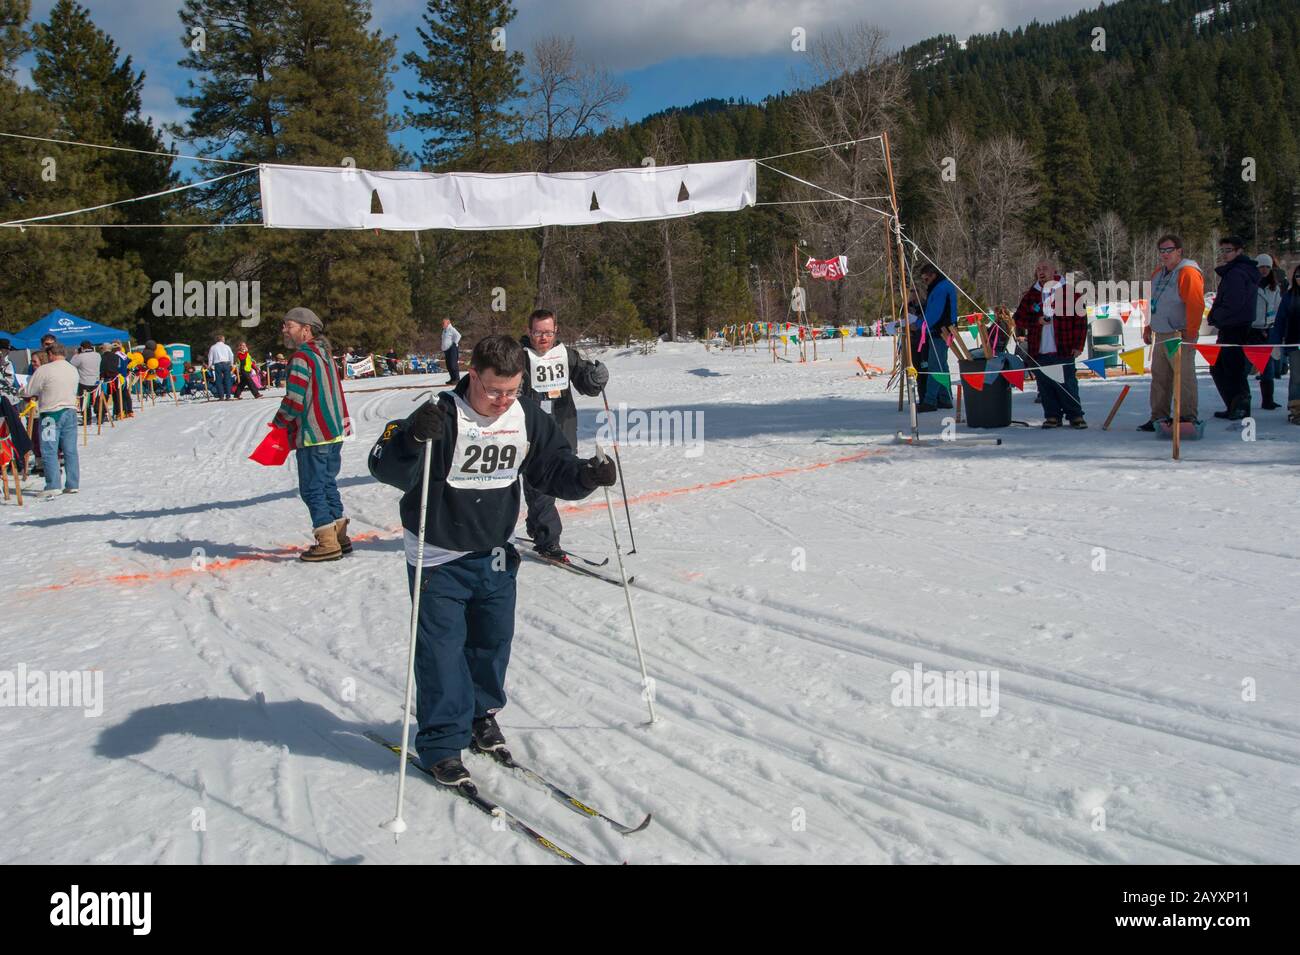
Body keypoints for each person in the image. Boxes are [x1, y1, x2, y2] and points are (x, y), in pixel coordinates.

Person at [367, 334, 617, 784]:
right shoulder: (441, 415)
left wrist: (585, 475)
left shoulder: (524, 416)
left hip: (495, 554)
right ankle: (442, 742)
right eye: (492, 390)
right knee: (442, 652)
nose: (502, 400)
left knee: (492, 642)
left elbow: (551, 468)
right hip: (438, 555)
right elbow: (383, 463)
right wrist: (410, 439)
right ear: (472, 376)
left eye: (512, 390)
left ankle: (480, 715)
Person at [518, 308, 609, 561]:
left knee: (556, 482)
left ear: (556, 331)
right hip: (531, 432)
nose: (543, 338)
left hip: (563, 429)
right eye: (538, 332)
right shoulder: (519, 357)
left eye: (548, 332)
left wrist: (596, 377)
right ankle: (547, 539)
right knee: (540, 485)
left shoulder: (566, 356)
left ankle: (539, 527)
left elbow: (586, 384)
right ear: (529, 332)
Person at [270, 307, 352, 562]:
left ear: (305, 329)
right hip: (333, 431)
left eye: (289, 325)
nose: (284, 330)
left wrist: (279, 422)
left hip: (313, 434)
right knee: (328, 484)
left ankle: (327, 543)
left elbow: (294, 399)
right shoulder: (324, 355)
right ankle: (340, 536)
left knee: (312, 488)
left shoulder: (301, 358)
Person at [1012, 258, 1089, 428]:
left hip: (1065, 347)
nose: (1041, 271)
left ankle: (1075, 415)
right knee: (1045, 385)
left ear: (1054, 271)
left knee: (1067, 384)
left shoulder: (1070, 292)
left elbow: (1081, 321)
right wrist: (1036, 321)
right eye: (1038, 268)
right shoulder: (1031, 295)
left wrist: (1078, 345)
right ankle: (1052, 416)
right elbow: (1018, 319)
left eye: (1044, 268)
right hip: (1039, 349)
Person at [1139, 235, 1204, 430]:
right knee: (1160, 377)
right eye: (1162, 251)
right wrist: (1148, 326)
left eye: (1169, 250)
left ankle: (1186, 417)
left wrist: (1191, 332)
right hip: (1160, 332)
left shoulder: (1188, 272)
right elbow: (1151, 302)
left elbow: (1195, 304)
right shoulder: (1158, 272)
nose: (1165, 254)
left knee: (1183, 377)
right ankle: (1158, 416)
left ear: (1179, 251)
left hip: (1179, 334)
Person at [1206, 236, 1260, 420]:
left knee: (1230, 369)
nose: (1224, 254)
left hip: (1235, 327)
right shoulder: (1237, 271)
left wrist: (1215, 316)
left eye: (1228, 250)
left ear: (1239, 251)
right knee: (1223, 368)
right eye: (1223, 250)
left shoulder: (1237, 273)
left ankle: (1239, 406)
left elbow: (1234, 302)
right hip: (1234, 325)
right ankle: (1235, 405)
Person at [21, 342, 80, 495]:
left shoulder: (45, 369)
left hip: (51, 413)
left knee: (49, 450)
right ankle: (73, 483)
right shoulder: (72, 369)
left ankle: (53, 485)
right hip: (70, 411)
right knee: (70, 450)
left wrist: (21, 390)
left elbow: (29, 390)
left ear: (51, 354)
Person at [915, 264, 957, 412]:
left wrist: (919, 324)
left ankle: (930, 400)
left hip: (942, 331)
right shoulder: (939, 287)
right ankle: (945, 398)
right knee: (942, 365)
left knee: (935, 365)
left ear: (932, 275)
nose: (925, 281)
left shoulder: (941, 288)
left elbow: (934, 313)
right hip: (941, 330)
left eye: (926, 278)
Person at [1252, 254, 1283, 410]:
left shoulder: (1275, 288)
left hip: (1269, 330)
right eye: (1261, 267)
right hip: (1252, 330)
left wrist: (1276, 326)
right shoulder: (1250, 285)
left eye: (1267, 267)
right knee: (1245, 367)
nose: (1264, 270)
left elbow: (1278, 308)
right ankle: (1240, 401)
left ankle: (1268, 400)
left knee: (1268, 368)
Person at [1277, 264, 1300, 424]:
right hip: (1294, 343)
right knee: (1297, 377)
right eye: (1297, 276)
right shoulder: (1289, 296)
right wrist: (1275, 343)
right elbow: (1280, 321)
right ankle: (1296, 409)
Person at [208, 334, 235, 401]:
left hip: (218, 364)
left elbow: (210, 357)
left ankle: (221, 396)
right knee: (227, 380)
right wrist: (231, 364)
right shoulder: (227, 346)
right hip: (226, 364)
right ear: (222, 339)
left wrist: (209, 365)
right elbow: (231, 355)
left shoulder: (213, 347)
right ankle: (228, 396)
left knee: (219, 381)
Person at [441, 318, 462, 385]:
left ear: (448, 323)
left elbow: (458, 335)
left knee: (453, 364)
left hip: (452, 349)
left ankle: (457, 379)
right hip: (446, 350)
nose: (442, 324)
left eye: (443, 323)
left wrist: (454, 344)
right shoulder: (444, 330)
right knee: (449, 365)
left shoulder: (451, 329)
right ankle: (452, 379)